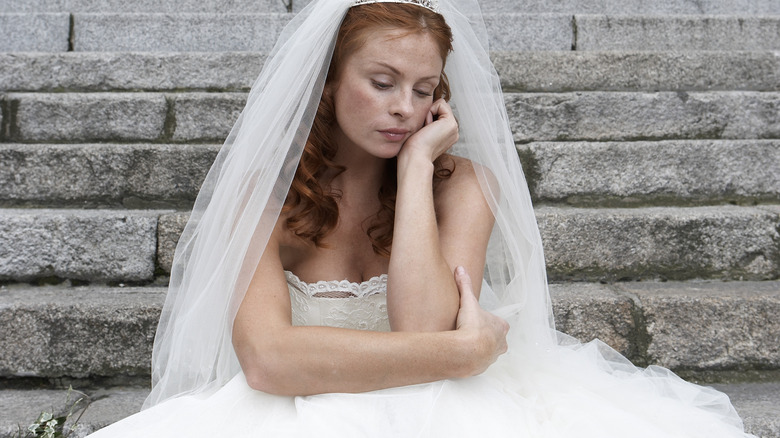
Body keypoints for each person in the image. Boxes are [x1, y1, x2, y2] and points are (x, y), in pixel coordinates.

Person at [87, 0, 755, 436]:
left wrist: (412, 175)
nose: (404, 107)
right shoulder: (264, 198)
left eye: (424, 89)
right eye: (381, 82)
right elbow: (266, 359)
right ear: (328, 83)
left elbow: (420, 323)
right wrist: (461, 352)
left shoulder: (463, 184)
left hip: (449, 411)